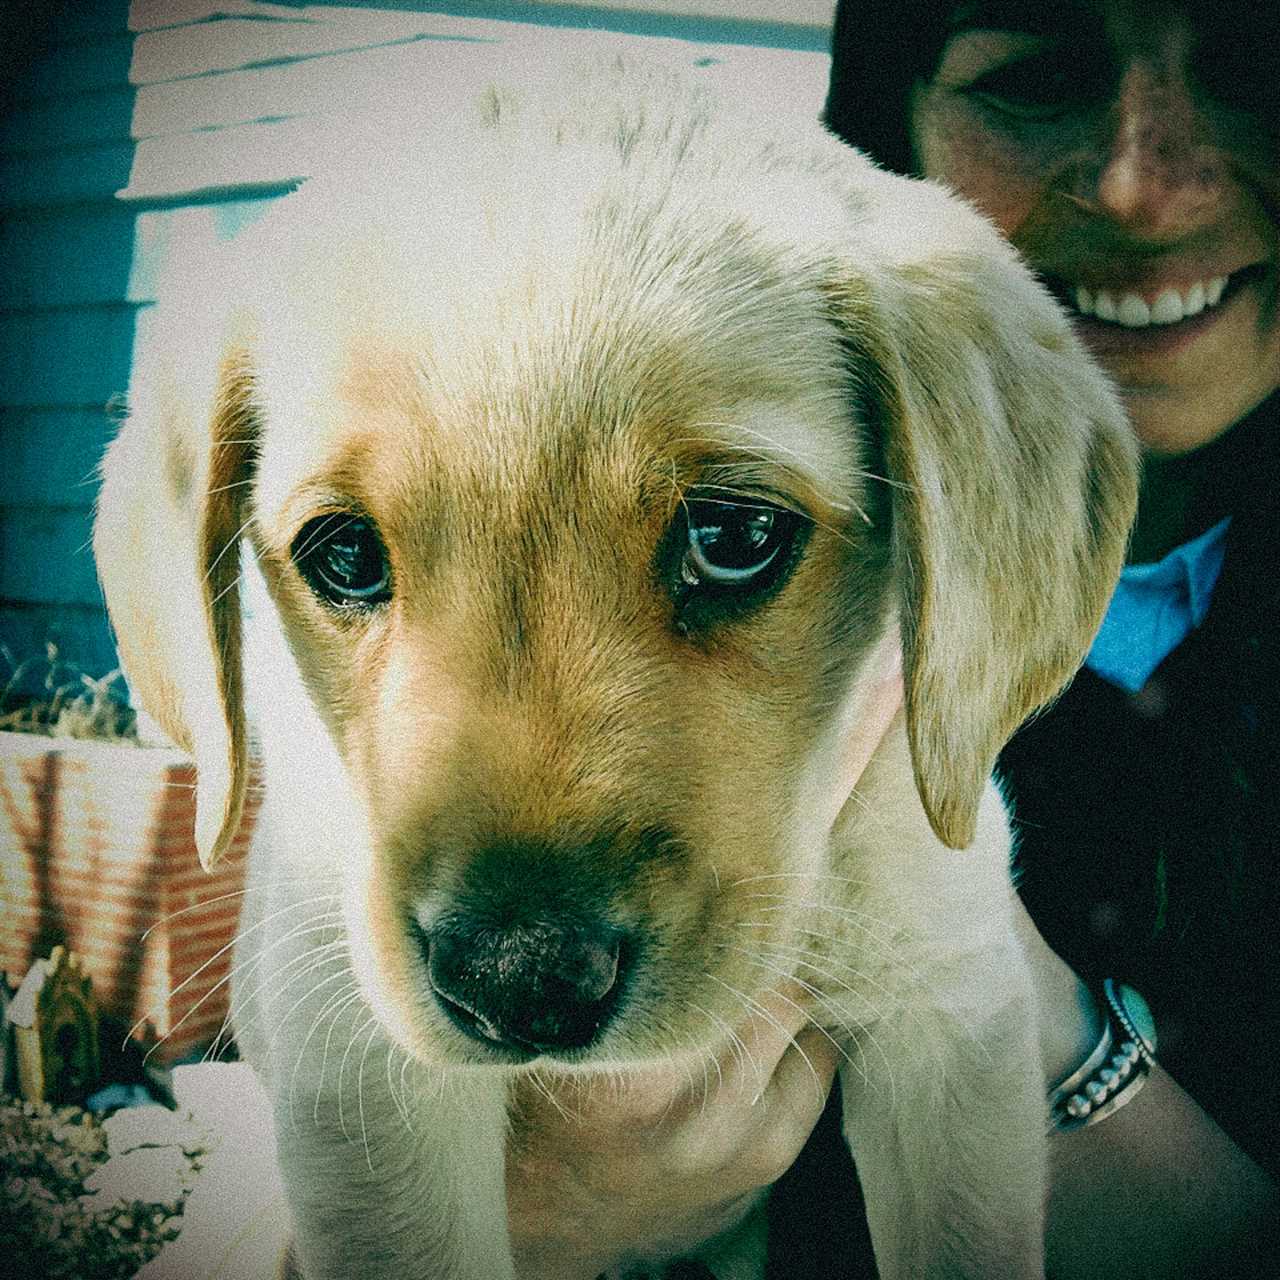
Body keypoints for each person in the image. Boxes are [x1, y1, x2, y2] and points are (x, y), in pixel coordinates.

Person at [505, 2, 1280, 1275]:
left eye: (1258, 68)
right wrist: (537, 1213)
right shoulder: (676, 537)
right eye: (1035, 76)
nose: (1145, 188)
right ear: (886, 125)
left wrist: (1019, 1019)